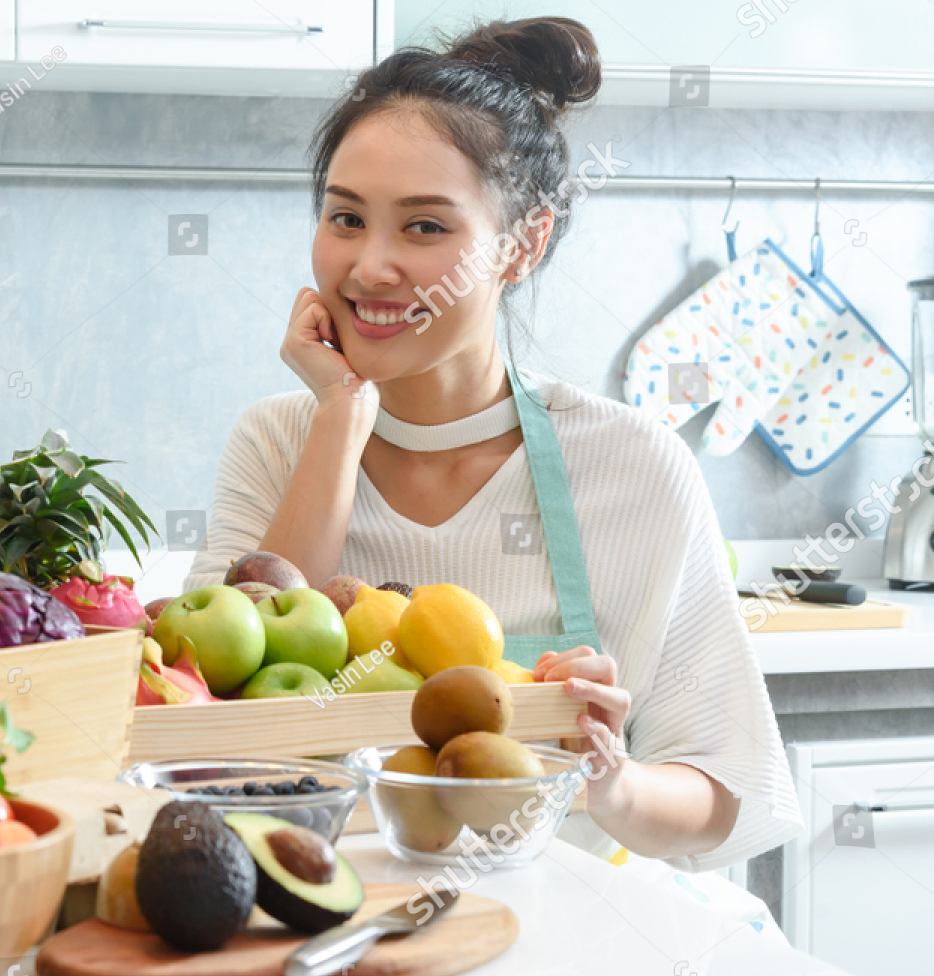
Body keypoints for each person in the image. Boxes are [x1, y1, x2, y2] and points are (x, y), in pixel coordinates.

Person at [181, 18, 801, 872]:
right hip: (318, 911)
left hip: (570, 941)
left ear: (524, 243)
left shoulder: (630, 465)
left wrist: (607, 781)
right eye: (346, 218)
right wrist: (338, 419)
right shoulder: (278, 439)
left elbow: (722, 799)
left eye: (426, 228)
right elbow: (218, 715)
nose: (369, 268)